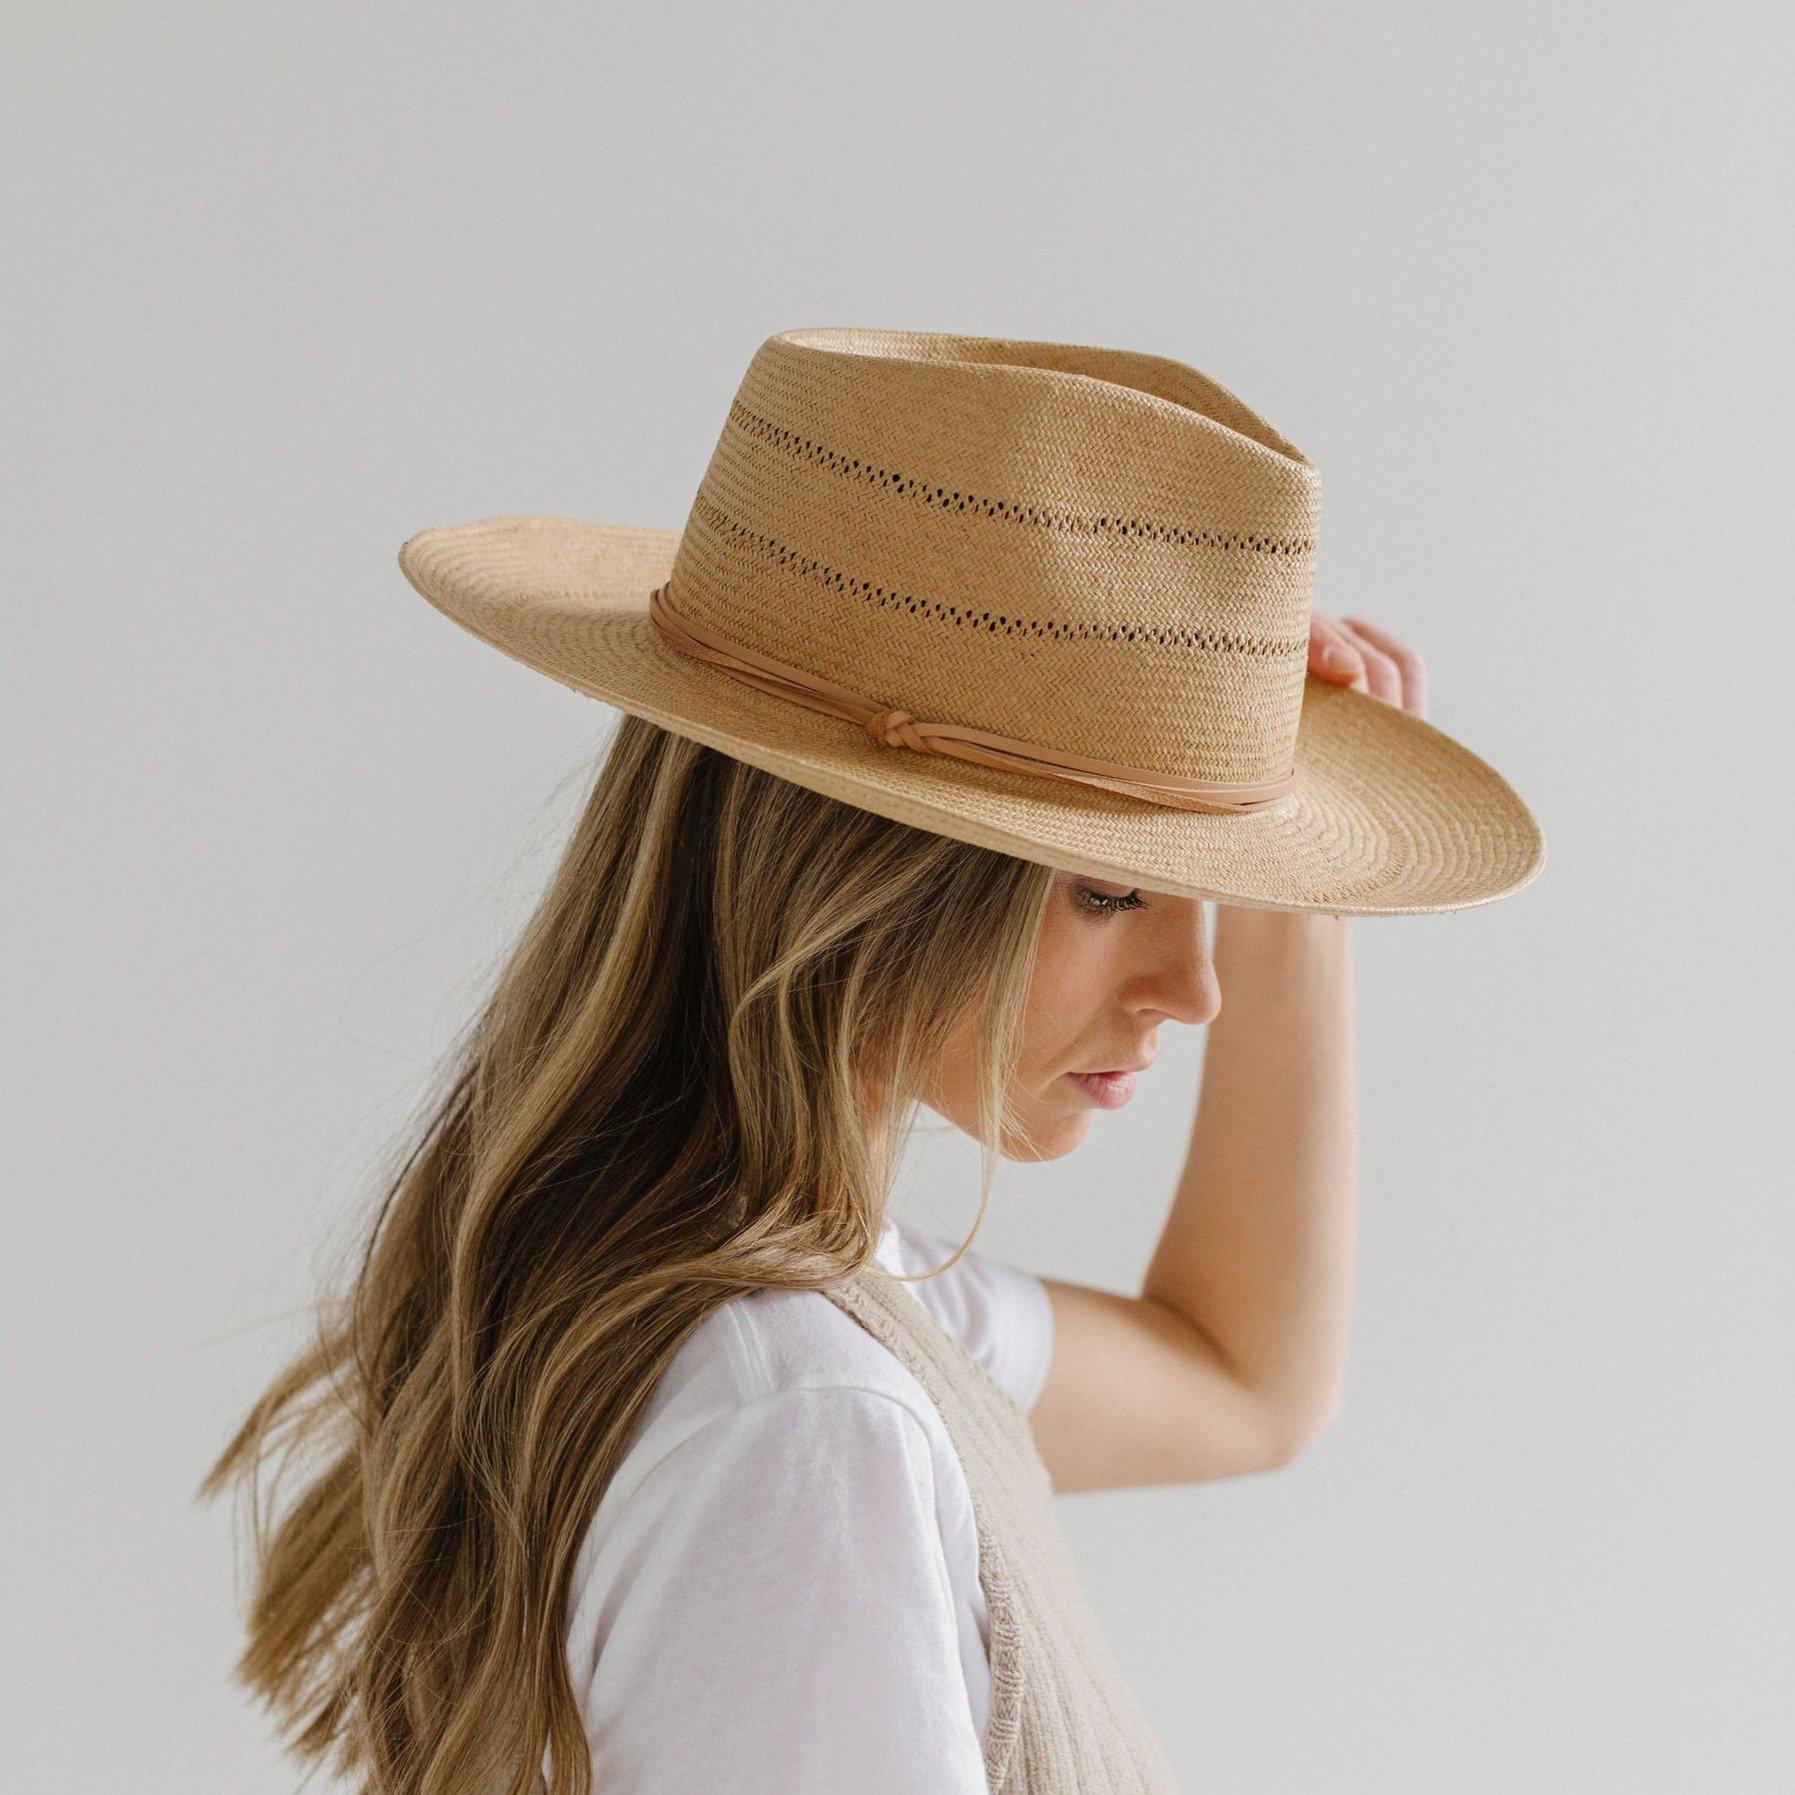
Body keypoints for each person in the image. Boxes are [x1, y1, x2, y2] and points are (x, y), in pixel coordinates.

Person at [202, 330, 1541, 1794]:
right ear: (869, 876)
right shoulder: (804, 1419)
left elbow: (1244, 1384)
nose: (1193, 988)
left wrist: (1303, 921)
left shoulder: (794, 1302)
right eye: (1108, 891)